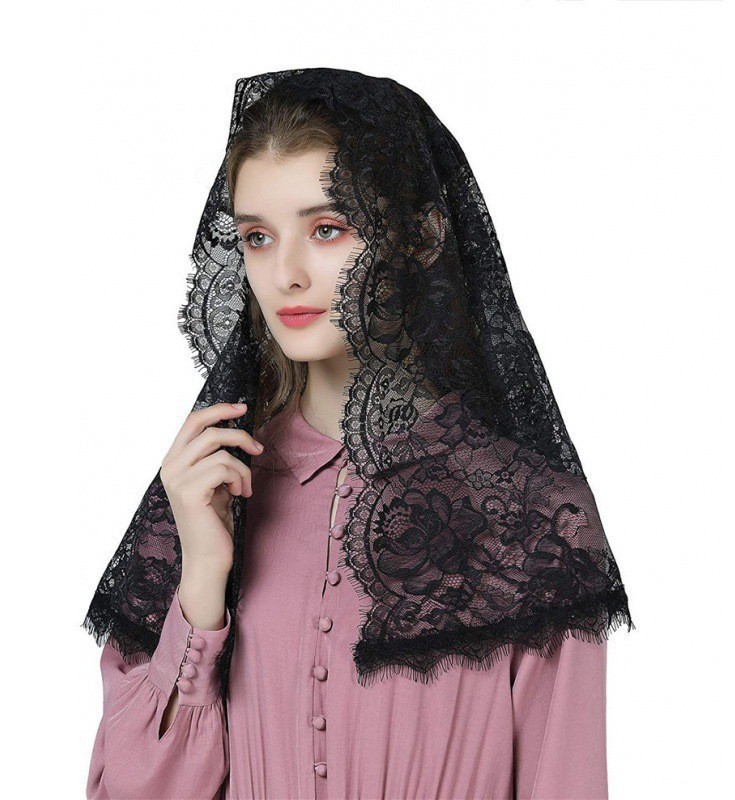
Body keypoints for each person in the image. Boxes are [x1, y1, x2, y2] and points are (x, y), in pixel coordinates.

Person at [84, 69, 632, 800]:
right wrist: (203, 580)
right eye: (257, 237)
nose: (285, 274)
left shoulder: (531, 514)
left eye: (327, 229)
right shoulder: (212, 488)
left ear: (423, 236)